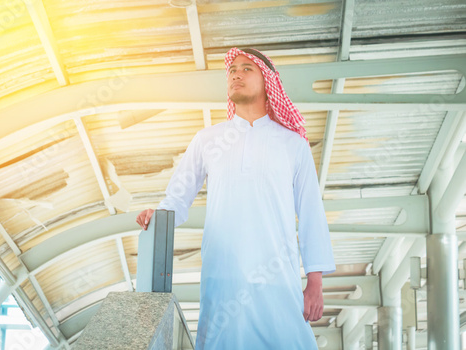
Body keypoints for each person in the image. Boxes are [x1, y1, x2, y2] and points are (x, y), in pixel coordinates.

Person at [136, 47, 336, 349]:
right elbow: (178, 197)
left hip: (277, 277)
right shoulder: (207, 140)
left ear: (268, 81)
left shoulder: (293, 145)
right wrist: (159, 215)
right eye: (232, 70)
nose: (236, 75)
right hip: (223, 276)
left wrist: (315, 282)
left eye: (246, 69)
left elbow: (310, 213)